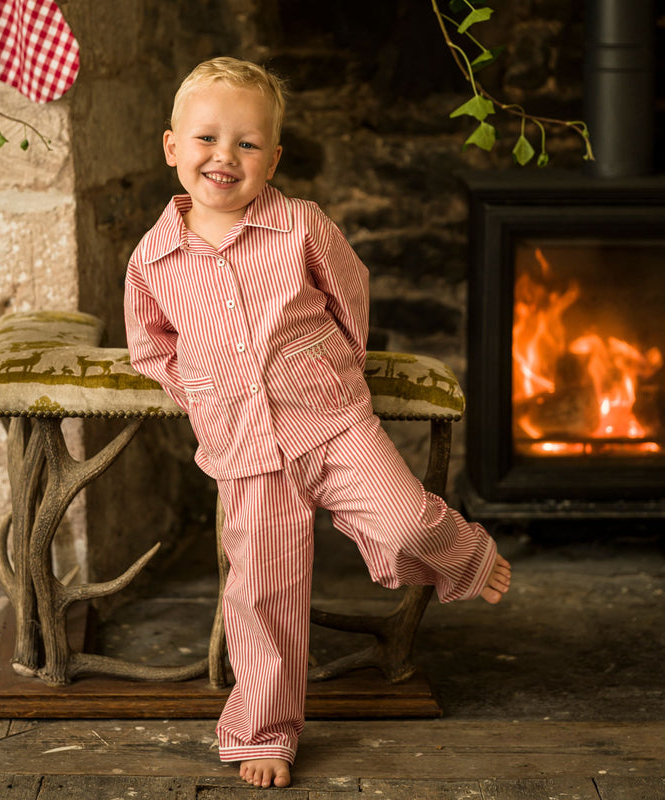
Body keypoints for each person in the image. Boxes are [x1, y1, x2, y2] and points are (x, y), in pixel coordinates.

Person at [124, 56, 511, 790]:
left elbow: (349, 293)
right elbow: (151, 346)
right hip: (243, 448)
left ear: (274, 157)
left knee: (406, 523)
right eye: (207, 138)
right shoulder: (153, 260)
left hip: (331, 422)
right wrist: (202, 393)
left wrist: (331, 365)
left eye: (246, 143)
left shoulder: (300, 225)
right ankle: (264, 728)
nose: (224, 157)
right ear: (172, 146)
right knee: (261, 596)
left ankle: (461, 553)